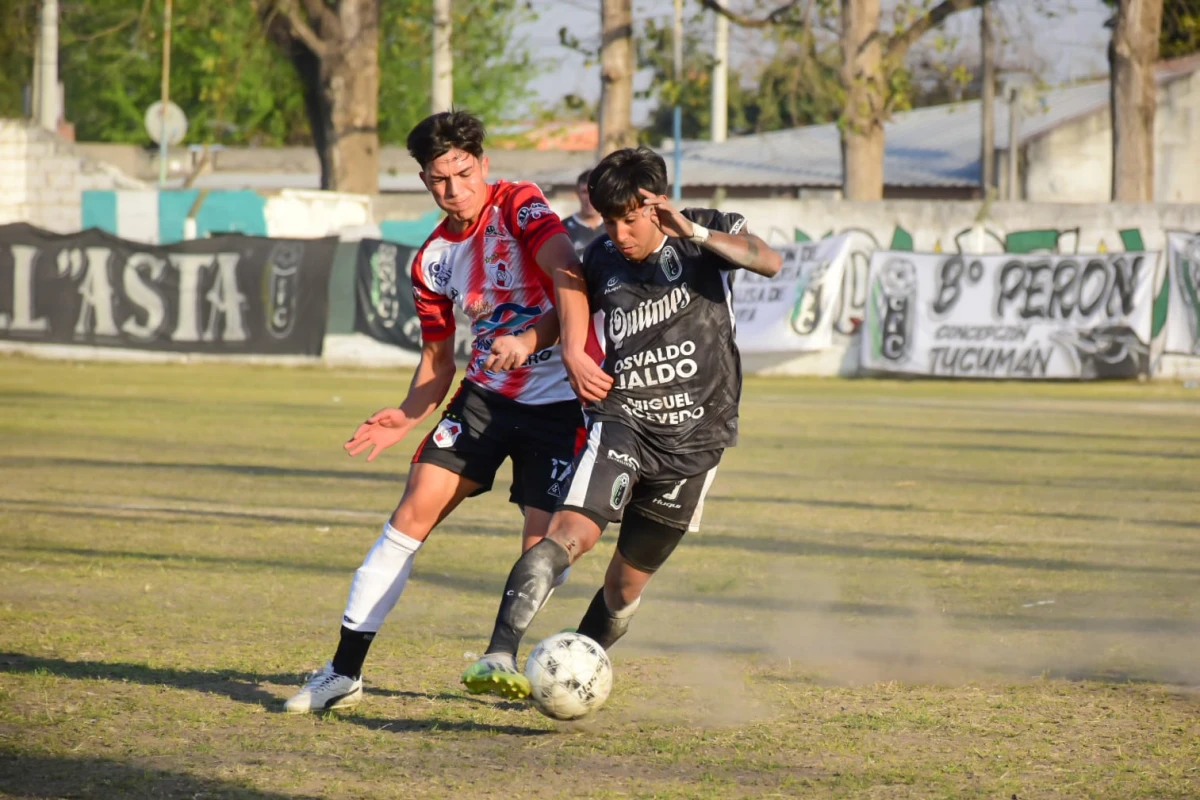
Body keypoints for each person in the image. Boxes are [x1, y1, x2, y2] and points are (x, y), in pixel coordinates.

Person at [284, 110, 611, 713]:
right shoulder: (432, 259)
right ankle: (344, 670)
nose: (454, 189)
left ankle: (504, 658)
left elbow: (568, 270)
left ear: (483, 165)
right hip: (484, 401)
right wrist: (408, 413)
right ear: (424, 182)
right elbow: (437, 362)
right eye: (440, 179)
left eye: (464, 172)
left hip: (561, 406)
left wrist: (559, 346)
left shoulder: (521, 204)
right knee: (409, 515)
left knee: (540, 550)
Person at [460, 147, 782, 699]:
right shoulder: (601, 257)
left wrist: (694, 232)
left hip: (696, 445)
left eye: (629, 218)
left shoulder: (709, 232)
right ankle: (497, 655)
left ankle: (572, 676)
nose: (619, 233)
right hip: (623, 423)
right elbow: (565, 317)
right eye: (609, 220)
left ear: (655, 205)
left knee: (624, 586)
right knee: (569, 536)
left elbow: (769, 260)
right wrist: (525, 341)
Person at [560, 169, 605, 258]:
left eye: (593, 192)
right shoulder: (563, 228)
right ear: (577, 193)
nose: (589, 198)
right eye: (584, 192)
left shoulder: (615, 225)